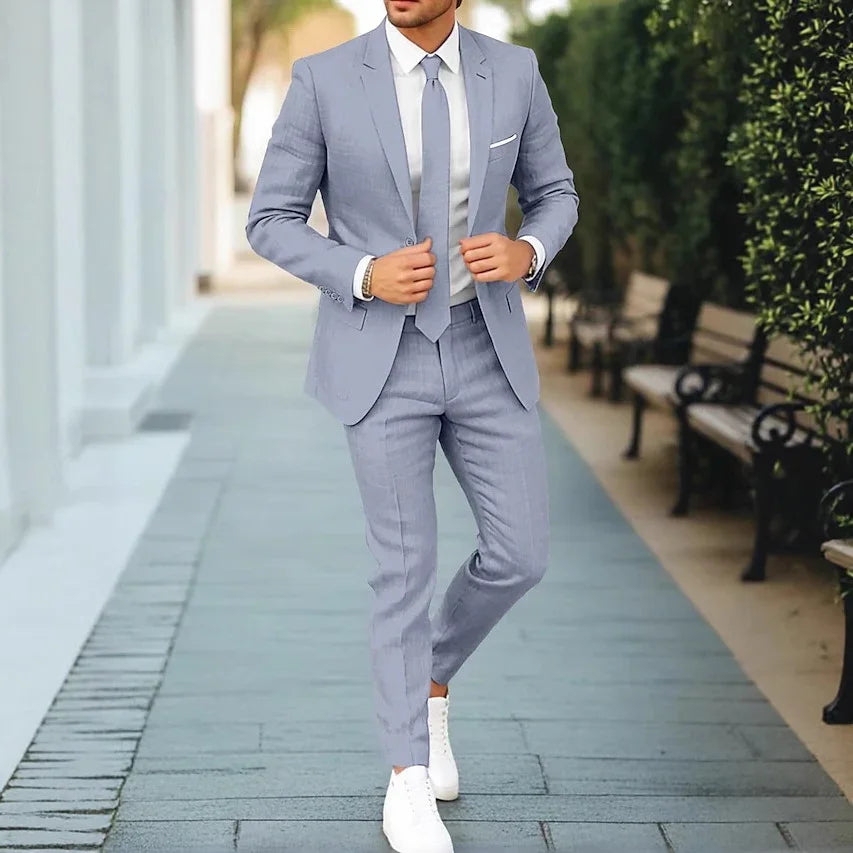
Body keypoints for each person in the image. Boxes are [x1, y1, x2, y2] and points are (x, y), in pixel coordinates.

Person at [246, 1, 578, 850]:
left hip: (484, 344)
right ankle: (405, 778)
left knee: (520, 552)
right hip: (378, 355)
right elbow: (271, 220)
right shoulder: (324, 80)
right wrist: (359, 270)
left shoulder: (515, 73)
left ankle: (427, 677)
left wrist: (528, 251)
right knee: (401, 566)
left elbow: (554, 193)